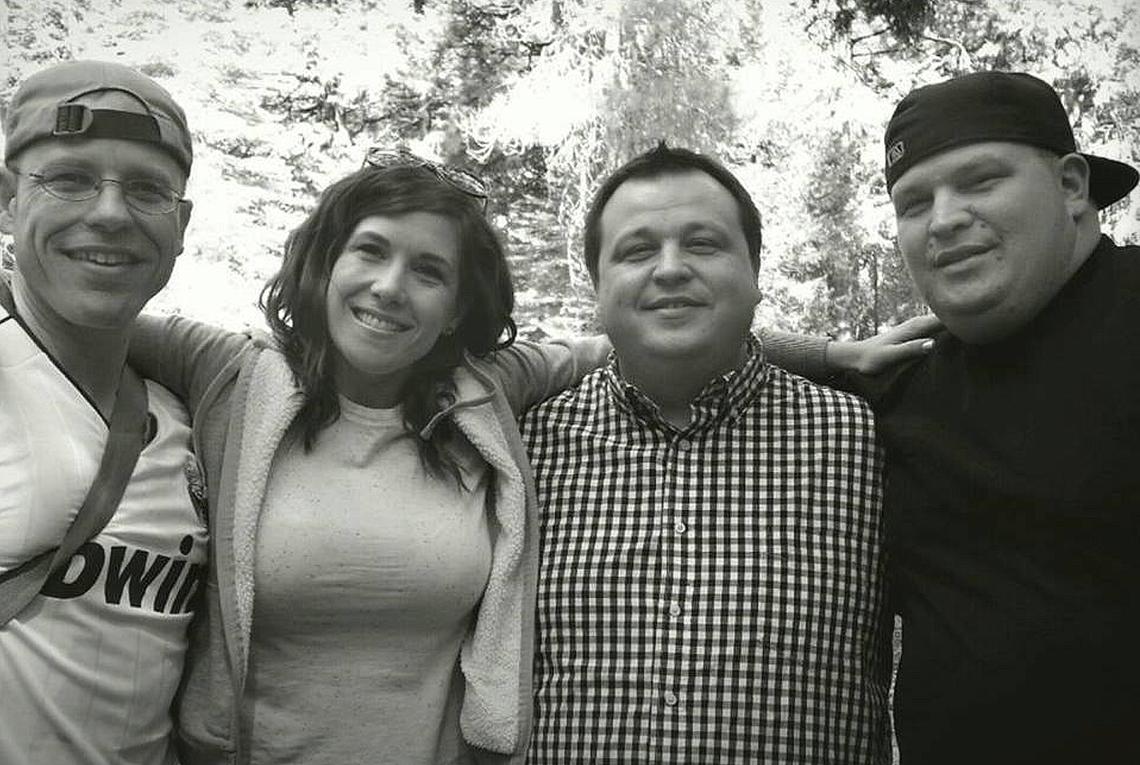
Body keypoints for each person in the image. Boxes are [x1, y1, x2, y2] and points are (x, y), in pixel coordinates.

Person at [127, 150, 609, 765]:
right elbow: (71, 314)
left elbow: (624, 341)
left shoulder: (485, 392)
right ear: (327, 264)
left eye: (429, 272)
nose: (389, 287)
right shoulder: (230, 371)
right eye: (371, 251)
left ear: (456, 310)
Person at [772, 71, 1140, 763]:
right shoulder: (898, 385)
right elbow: (670, 344)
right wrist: (828, 353)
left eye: (980, 180)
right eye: (914, 202)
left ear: (1071, 186)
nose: (942, 219)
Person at [519, 144, 892, 764]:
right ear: (597, 285)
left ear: (755, 271)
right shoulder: (521, 449)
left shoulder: (866, 439)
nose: (670, 269)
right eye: (637, 251)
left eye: (702, 244)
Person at [0, 60, 204, 764]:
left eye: (147, 189)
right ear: (7, 201)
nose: (111, 213)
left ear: (181, 225)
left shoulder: (190, 424)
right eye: (70, 178)